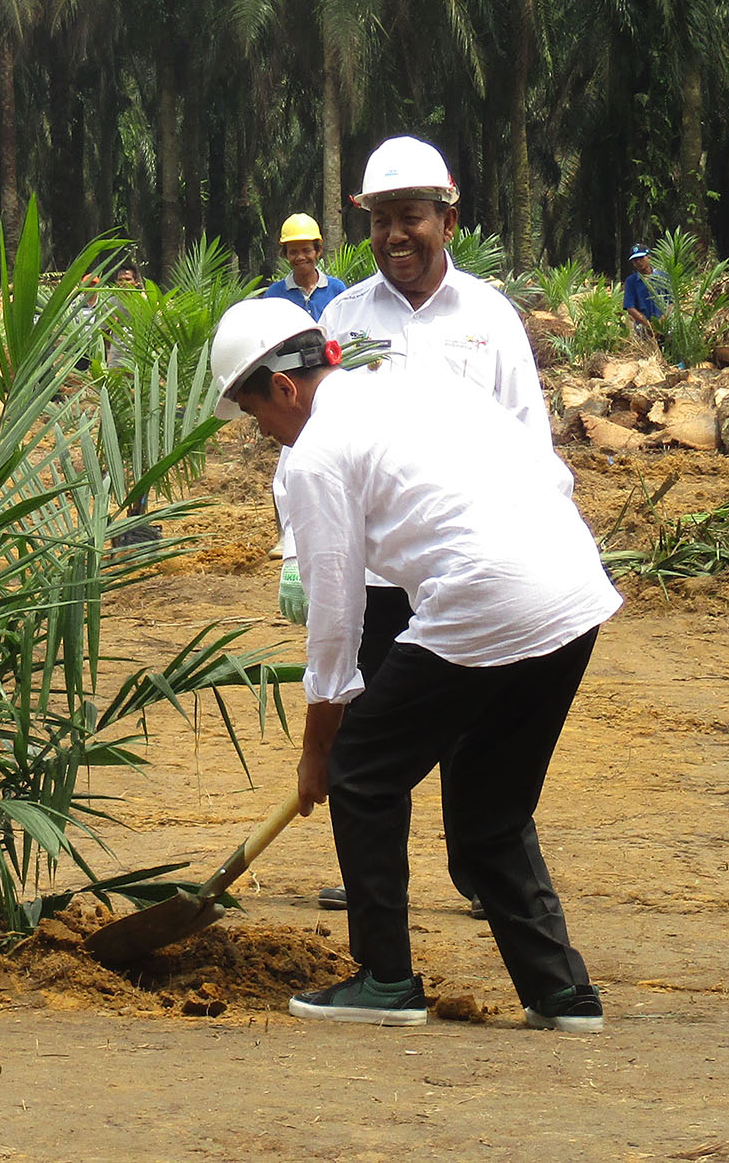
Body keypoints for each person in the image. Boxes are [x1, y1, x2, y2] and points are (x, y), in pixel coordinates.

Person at [210, 297, 619, 1031]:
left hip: (486, 591)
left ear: (283, 386)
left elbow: (335, 616)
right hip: (574, 587)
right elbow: (544, 469)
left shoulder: (317, 453)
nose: (264, 435)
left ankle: (385, 979)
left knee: (363, 769)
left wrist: (319, 747)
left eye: (254, 415)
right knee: (490, 811)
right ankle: (562, 993)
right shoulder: (415, 381)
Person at [288, 137, 549, 918]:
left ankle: (484, 873)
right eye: (380, 221)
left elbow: (529, 434)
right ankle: (370, 880)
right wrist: (298, 551)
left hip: (466, 568)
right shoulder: (342, 316)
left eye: (411, 218)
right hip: (376, 570)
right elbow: (305, 432)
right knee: (368, 732)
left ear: (448, 219)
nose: (396, 235)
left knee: (478, 733)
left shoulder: (489, 318)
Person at [261, 212, 347, 317]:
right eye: (293, 252)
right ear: (285, 254)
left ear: (318, 251)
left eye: (306, 250)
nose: (300, 257)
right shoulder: (274, 294)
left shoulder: (336, 290)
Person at [622, 245, 666, 343]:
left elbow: (671, 302)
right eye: (635, 260)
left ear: (649, 257)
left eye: (641, 258)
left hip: (665, 325)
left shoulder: (663, 277)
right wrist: (648, 325)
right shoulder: (631, 281)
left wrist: (661, 322)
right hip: (643, 329)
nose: (638, 262)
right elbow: (630, 308)